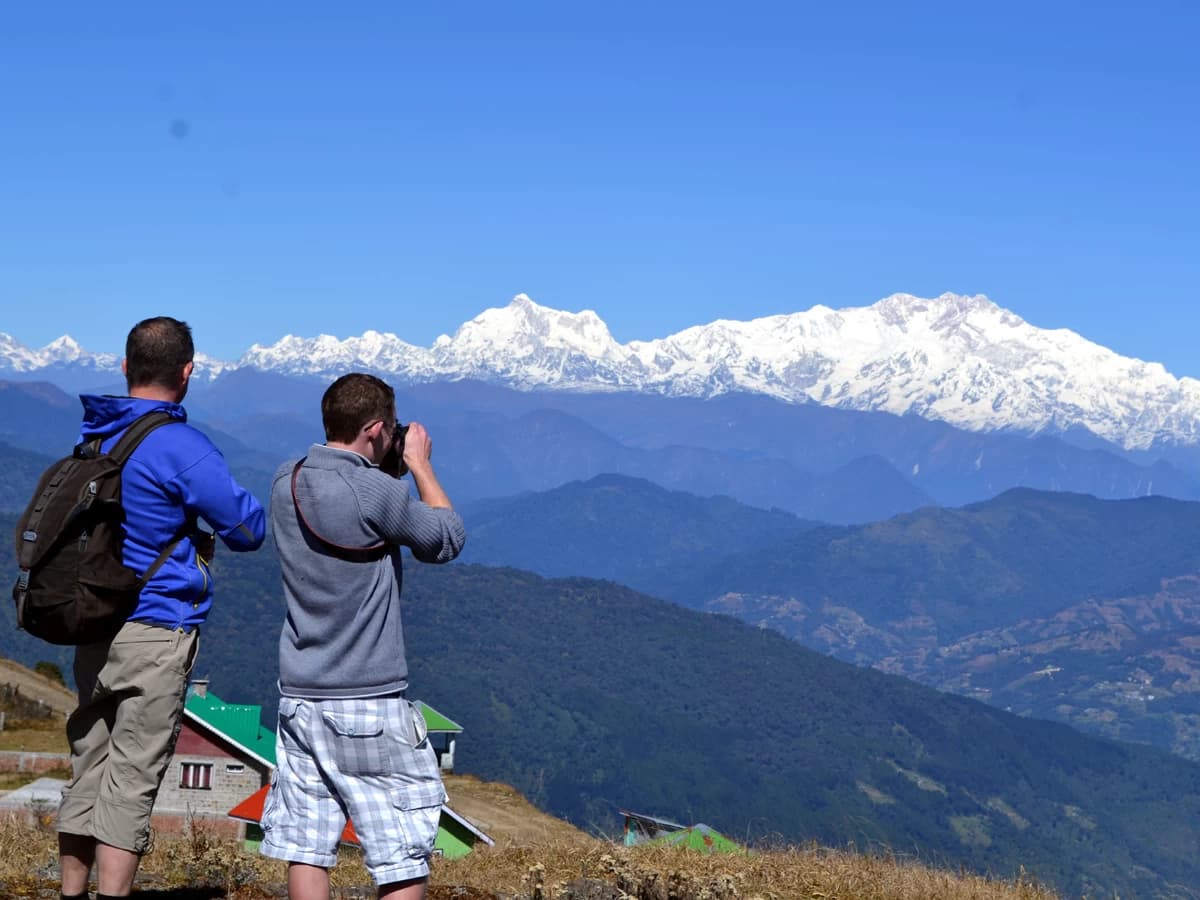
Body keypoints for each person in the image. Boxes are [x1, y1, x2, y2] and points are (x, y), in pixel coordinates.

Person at [57, 316, 267, 900]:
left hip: (93, 622)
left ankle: (70, 892)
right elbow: (247, 528)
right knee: (131, 779)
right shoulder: (181, 445)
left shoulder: (96, 436)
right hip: (156, 629)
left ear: (126, 367)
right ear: (188, 372)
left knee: (88, 768)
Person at [261, 372, 466, 900]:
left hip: (300, 696)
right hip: (368, 700)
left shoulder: (286, 480)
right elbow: (446, 538)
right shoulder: (376, 490)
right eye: (392, 428)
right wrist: (419, 464)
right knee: (400, 852)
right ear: (375, 430)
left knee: (308, 845)